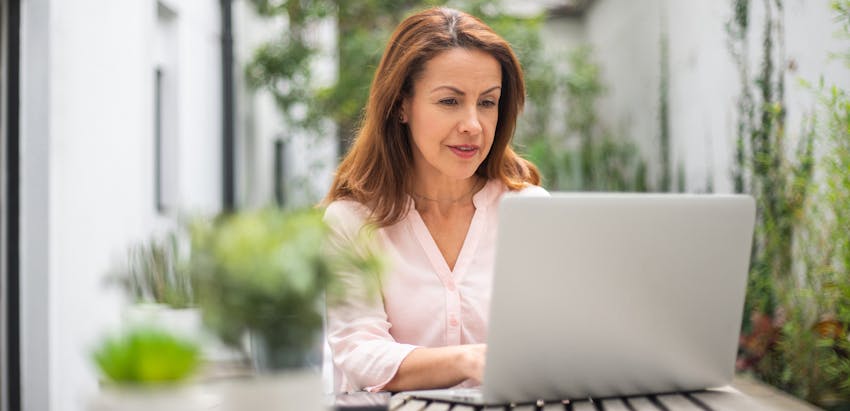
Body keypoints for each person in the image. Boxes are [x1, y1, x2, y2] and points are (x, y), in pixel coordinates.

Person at [322, 6, 547, 393]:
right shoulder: (352, 221)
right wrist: (468, 361)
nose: (473, 125)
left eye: (487, 102)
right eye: (449, 101)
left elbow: (554, 340)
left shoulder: (530, 211)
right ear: (401, 105)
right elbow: (359, 353)